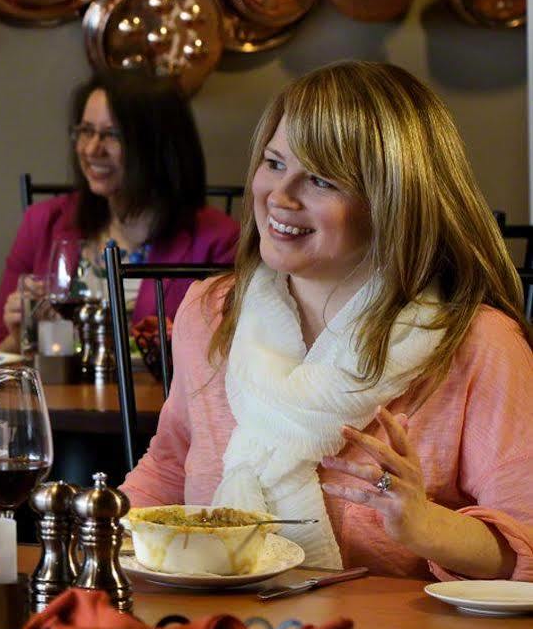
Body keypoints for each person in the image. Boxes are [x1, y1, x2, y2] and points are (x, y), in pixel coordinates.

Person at [122, 61, 533, 581]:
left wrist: (425, 526)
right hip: (221, 627)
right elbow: (170, 467)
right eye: (274, 163)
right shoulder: (211, 312)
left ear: (392, 200)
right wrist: (94, 532)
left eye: (319, 179)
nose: (280, 195)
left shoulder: (476, 343)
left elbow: (527, 546)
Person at [0, 75, 238, 351]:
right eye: (86, 130)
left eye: (112, 135)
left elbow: (224, 365)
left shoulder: (219, 241)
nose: (92, 149)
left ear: (159, 146)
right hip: (58, 392)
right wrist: (21, 336)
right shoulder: (43, 222)